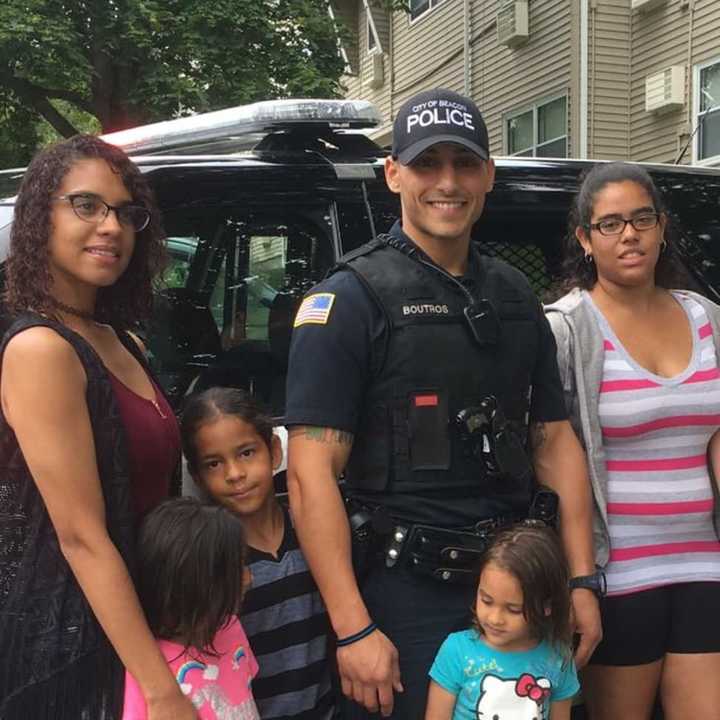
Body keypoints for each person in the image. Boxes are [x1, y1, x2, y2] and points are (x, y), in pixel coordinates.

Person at [284, 87, 601, 719]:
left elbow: (554, 439)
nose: (447, 182)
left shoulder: (514, 295)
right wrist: (353, 628)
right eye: (428, 163)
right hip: (403, 599)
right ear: (393, 173)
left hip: (516, 594)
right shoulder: (348, 301)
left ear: (488, 174)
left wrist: (579, 580)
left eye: (464, 163)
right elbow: (309, 470)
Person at [0, 135, 194, 719]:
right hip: (71, 650)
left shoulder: (123, 341)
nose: (111, 226)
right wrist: (161, 689)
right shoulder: (40, 349)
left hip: (139, 623)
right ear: (40, 216)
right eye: (86, 205)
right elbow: (81, 537)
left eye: (126, 212)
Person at [545, 162, 720, 719]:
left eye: (642, 219)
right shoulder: (567, 329)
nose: (629, 234)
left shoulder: (706, 316)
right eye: (611, 223)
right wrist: (579, 581)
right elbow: (553, 455)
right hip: (618, 573)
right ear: (585, 239)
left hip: (705, 563)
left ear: (662, 227)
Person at [181, 387, 335, 720]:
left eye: (247, 453)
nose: (234, 473)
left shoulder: (313, 528)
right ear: (197, 476)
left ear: (274, 451)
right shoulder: (212, 563)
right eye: (214, 463)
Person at [123, 498, 260, 719]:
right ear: (196, 585)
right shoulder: (147, 674)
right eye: (236, 570)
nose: (248, 578)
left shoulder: (230, 627)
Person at [425, 525, 578, 720]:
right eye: (486, 601)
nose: (495, 618)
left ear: (546, 606)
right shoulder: (457, 650)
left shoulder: (558, 656)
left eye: (513, 609)